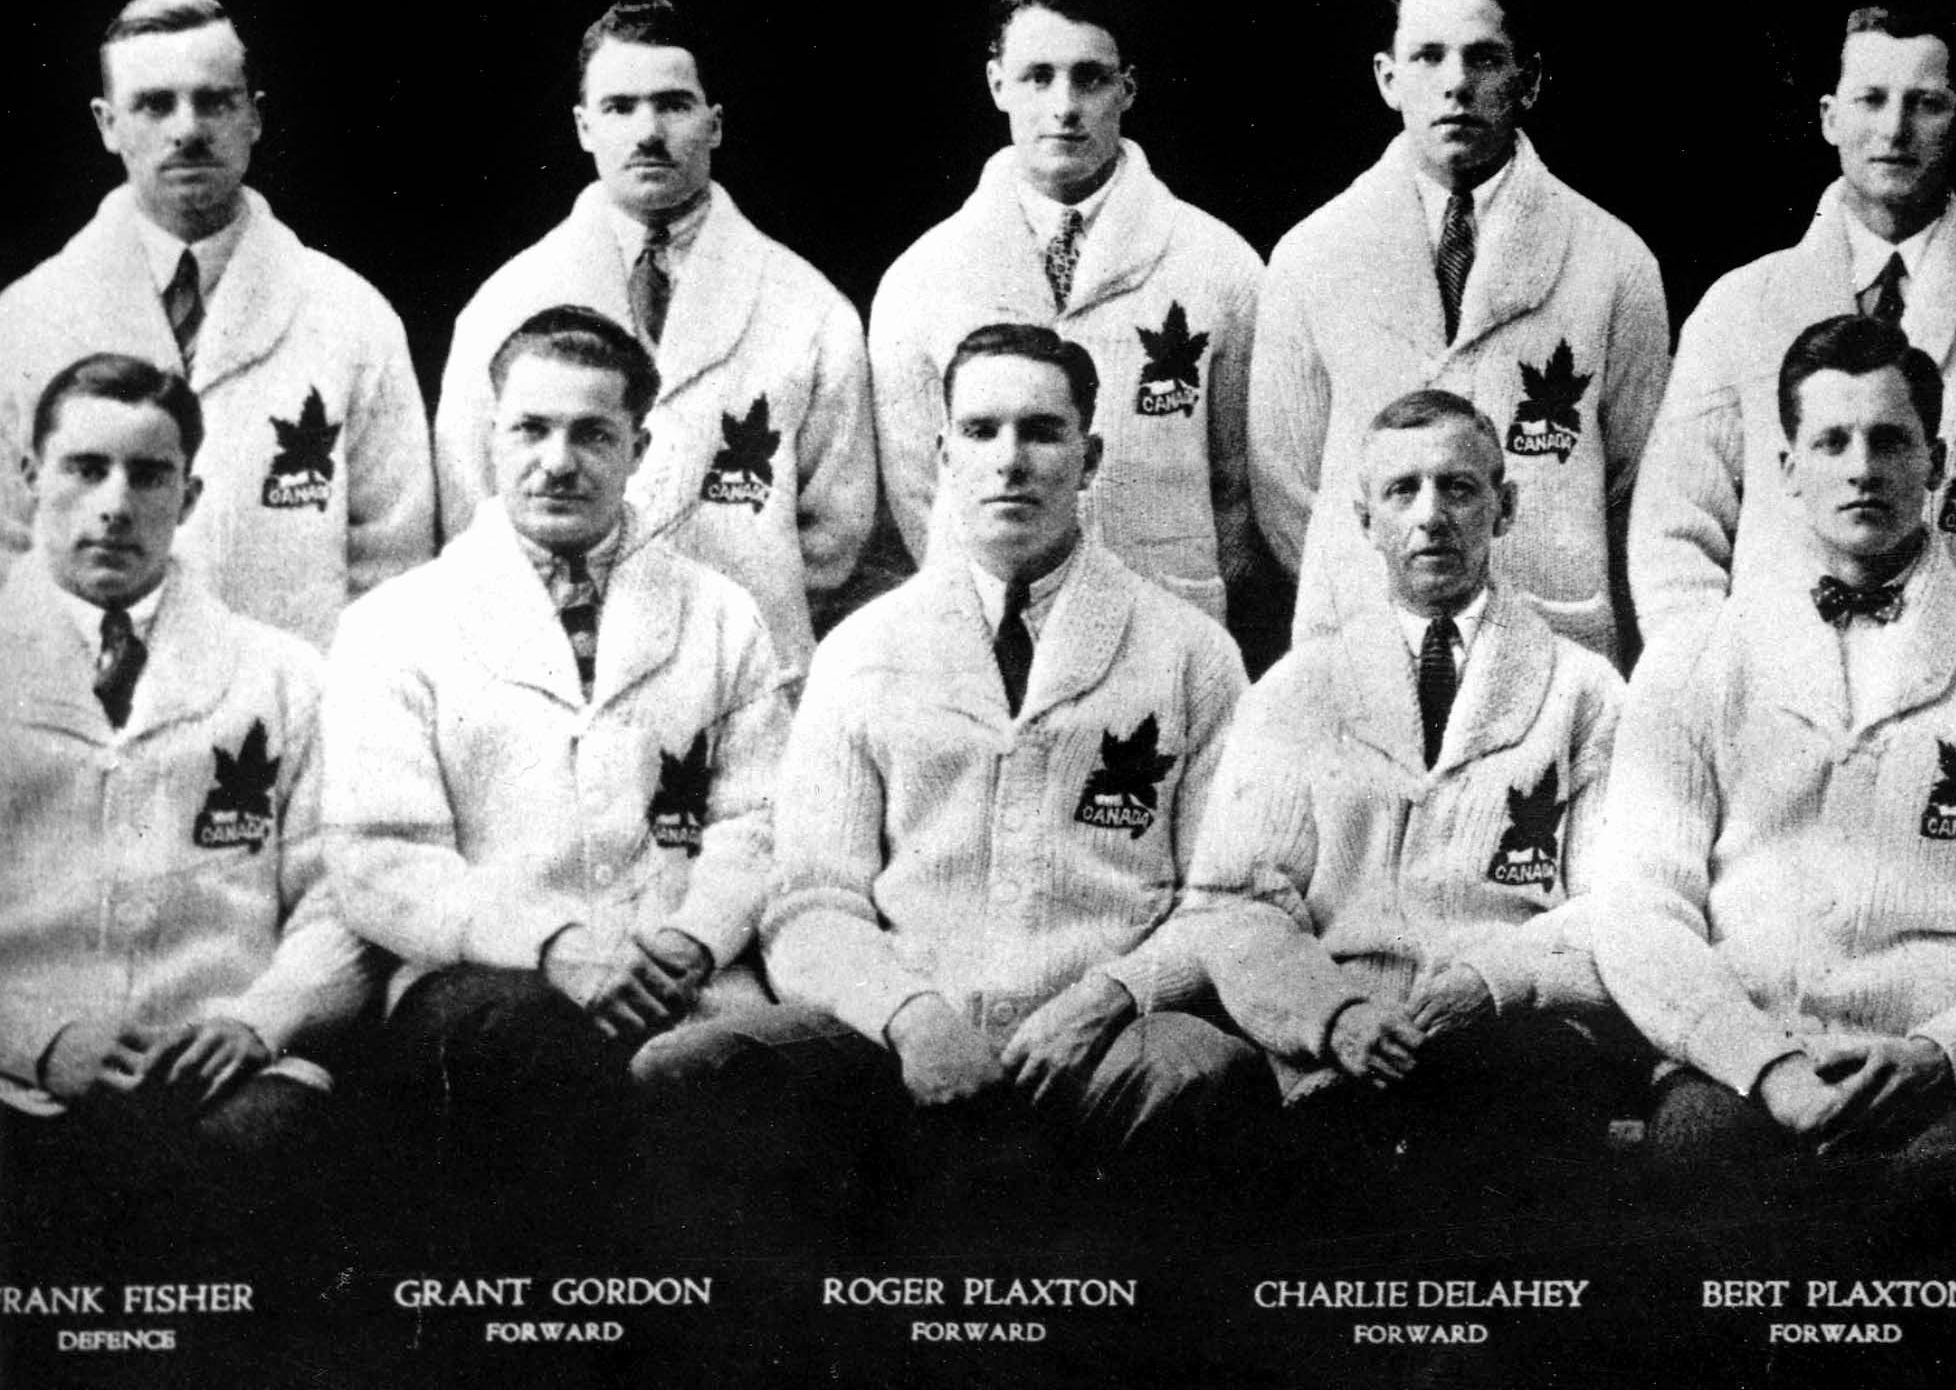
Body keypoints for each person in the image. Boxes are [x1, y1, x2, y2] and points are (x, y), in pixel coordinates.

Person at [738, 323, 1262, 1242]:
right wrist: (910, 1017)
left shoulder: (1190, 653)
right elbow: (810, 902)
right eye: (980, 432)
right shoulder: (865, 649)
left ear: (1089, 456)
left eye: (1042, 431)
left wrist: (1107, 998)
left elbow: (1234, 900)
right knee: (696, 1070)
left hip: (1106, 1043)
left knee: (1200, 1070)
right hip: (900, 1039)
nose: (1010, 461)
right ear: (943, 455)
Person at [1586, 316, 1956, 1228]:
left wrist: (1942, 1050)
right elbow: (1637, 909)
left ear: (1935, 462)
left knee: (1951, 1191)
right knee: (1700, 1163)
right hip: (1736, 1063)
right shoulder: (1697, 655)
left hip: (1942, 1072)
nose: (1862, 467)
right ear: (1786, 470)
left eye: (1891, 440)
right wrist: (1764, 1065)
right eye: (1832, 441)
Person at [327, 306, 791, 1258]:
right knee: (530, 1066)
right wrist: (552, 944)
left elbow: (761, 817)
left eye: (592, 433)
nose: (558, 460)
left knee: (746, 1103)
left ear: (639, 446)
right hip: (485, 989)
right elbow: (381, 859)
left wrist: (695, 939)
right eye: (530, 429)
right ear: (489, 436)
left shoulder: (720, 616)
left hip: (685, 984)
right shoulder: (396, 624)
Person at [1155, 388, 1630, 1216]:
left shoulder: (1586, 693)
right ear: (1363, 517)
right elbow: (1234, 904)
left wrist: (1495, 980)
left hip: (1513, 1043)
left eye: (1459, 488)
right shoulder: (1297, 690)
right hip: (1331, 1058)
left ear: (1506, 506)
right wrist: (1335, 1017)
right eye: (1402, 491)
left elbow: (1620, 907)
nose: (1431, 516)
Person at [0, 353, 373, 1261]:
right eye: (86, 468)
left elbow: (343, 895)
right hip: (15, 1073)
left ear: (191, 492)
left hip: (225, 1070)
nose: (117, 504)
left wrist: (262, 1017)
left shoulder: (285, 676)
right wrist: (40, 1038)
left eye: (149, 473)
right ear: (28, 477)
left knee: (262, 1172)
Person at [1630, 0, 1956, 668]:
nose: (1894, 129)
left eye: (1925, 104)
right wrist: (1720, 682)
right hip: (1773, 702)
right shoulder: (1739, 309)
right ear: (1830, 117)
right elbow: (1673, 529)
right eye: (1871, 99)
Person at [434, 0, 874, 672]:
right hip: (555, 671)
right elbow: (472, 502)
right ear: (583, 127)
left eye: (672, 104)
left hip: (745, 677)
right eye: (619, 107)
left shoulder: (809, 309)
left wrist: (723, 636)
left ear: (715, 123)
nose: (648, 131)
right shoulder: (505, 307)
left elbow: (837, 537)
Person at [1250, 0, 1669, 664]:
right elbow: (1283, 481)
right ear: (1388, 78)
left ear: (1528, 80)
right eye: (1428, 57)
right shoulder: (1312, 255)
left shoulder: (1613, 261)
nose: (1455, 82)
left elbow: (1635, 479)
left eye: (1483, 57)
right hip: (1359, 634)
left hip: (1549, 636)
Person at [0, 0, 431, 651]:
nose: (188, 130)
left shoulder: (351, 317)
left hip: (291, 736)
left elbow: (394, 571)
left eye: (214, 101)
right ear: (106, 122)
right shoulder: (26, 321)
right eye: (153, 104)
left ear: (254, 118)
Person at [871, 0, 1264, 639]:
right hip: (982, 634)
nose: (1064, 105)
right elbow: (917, 493)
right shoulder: (922, 278)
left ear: (1128, 87)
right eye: (1037, 76)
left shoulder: (1217, 264)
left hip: (1166, 627)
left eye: (1090, 77)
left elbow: (1238, 492)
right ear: (997, 84)